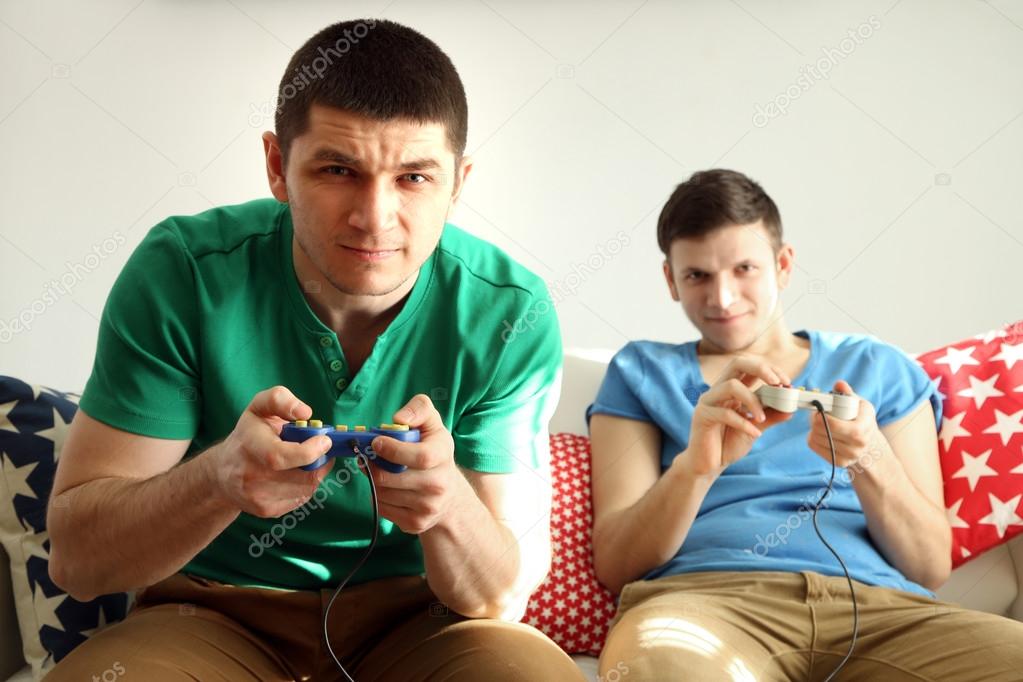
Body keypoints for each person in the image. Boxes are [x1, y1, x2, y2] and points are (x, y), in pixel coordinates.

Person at [45, 19, 584, 682]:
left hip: (424, 623)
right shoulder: (183, 271)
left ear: (458, 183)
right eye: (338, 170)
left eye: (414, 178)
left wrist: (448, 507)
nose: (374, 217)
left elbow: (499, 597)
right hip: (211, 617)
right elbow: (78, 564)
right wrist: (218, 482)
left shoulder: (510, 311)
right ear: (278, 166)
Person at [588, 169, 1023, 681]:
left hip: (882, 613)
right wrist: (696, 468)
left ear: (784, 264)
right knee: (658, 664)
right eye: (697, 276)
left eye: (744, 268)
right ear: (670, 281)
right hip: (704, 604)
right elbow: (616, 566)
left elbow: (929, 566)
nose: (722, 298)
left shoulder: (877, 367)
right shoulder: (641, 372)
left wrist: (869, 457)